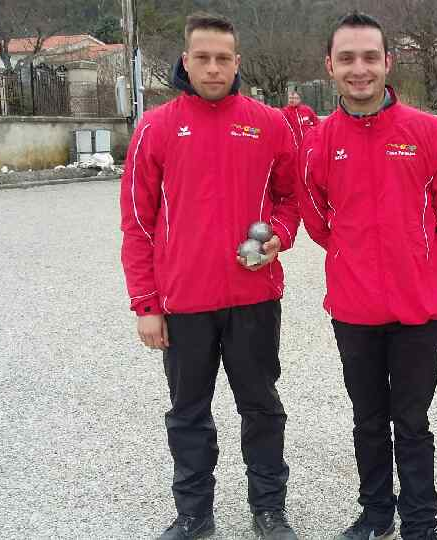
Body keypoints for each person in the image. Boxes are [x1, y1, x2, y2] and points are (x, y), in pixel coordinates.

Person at [119, 12, 301, 540]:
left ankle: (268, 509)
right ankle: (194, 515)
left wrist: (279, 238)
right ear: (185, 61)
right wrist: (146, 304)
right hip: (184, 303)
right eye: (203, 57)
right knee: (188, 415)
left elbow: (291, 201)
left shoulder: (269, 123)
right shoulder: (156, 125)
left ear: (237, 63)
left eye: (223, 58)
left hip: (253, 298)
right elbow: (137, 221)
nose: (214, 67)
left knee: (262, 408)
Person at [296, 12, 437, 540]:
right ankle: (375, 514)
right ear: (330, 66)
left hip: (416, 308)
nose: (359, 69)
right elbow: (316, 217)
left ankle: (419, 521)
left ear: (388, 63)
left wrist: (411, 253)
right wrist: (354, 254)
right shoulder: (319, 140)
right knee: (368, 421)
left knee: (412, 424)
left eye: (370, 57)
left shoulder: (427, 131)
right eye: (347, 58)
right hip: (354, 309)